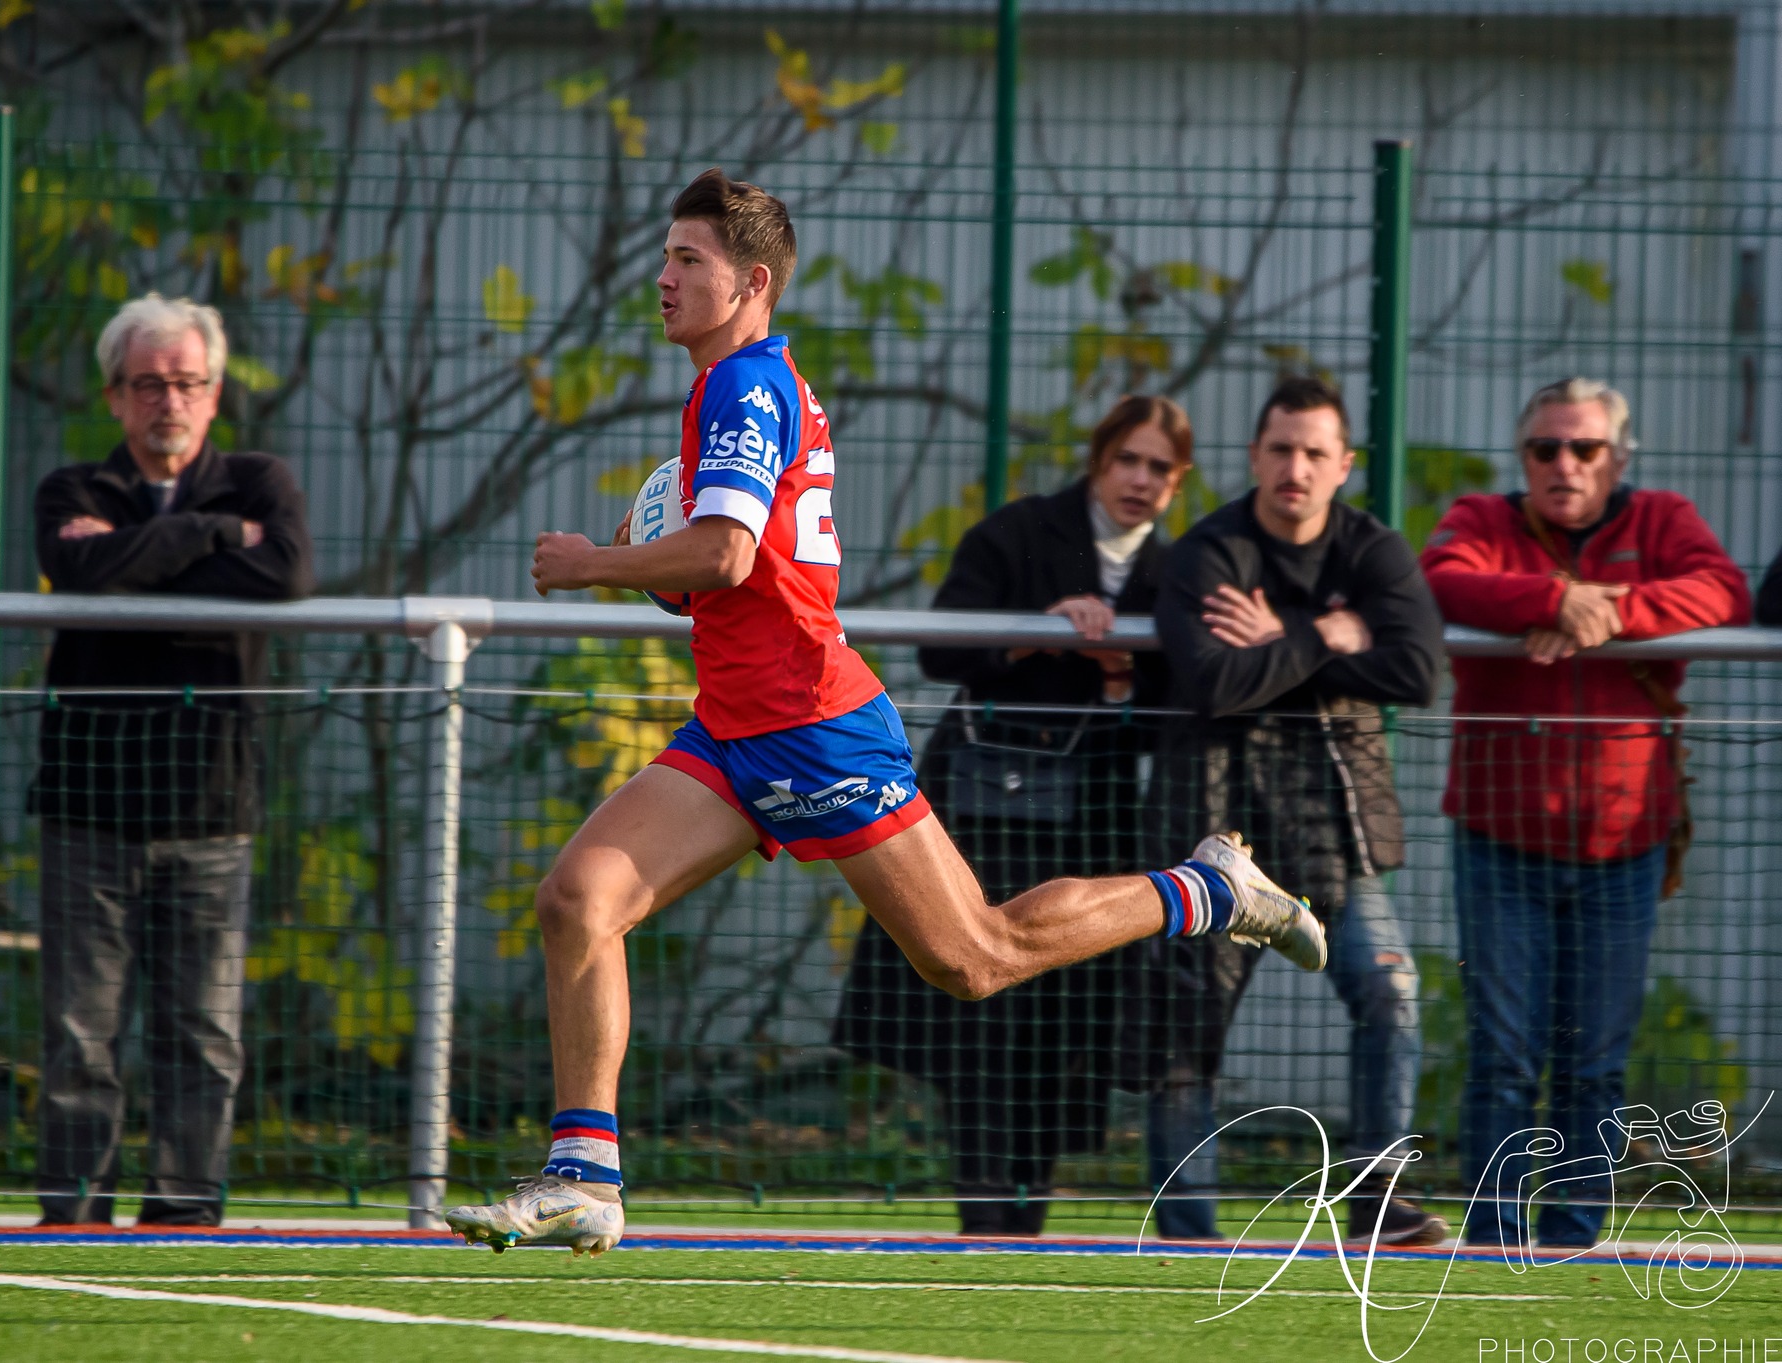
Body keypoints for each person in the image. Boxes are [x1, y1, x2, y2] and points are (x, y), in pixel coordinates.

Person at [442, 168, 1327, 1258]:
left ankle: (1203, 887)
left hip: (812, 723)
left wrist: (596, 563)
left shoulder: (746, 388)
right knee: (577, 898)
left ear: (750, 281)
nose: (662, 276)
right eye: (665, 256)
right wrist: (657, 572)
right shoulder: (732, 383)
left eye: (688, 260)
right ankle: (585, 1174)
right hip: (734, 724)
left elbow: (720, 553)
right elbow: (735, 562)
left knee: (975, 957)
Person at [833, 394, 1192, 1237]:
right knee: (981, 1016)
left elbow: (1175, 705)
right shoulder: (1020, 530)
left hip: (1094, 814)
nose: (1141, 481)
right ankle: (986, 1215)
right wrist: (1037, 635)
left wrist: (1116, 678)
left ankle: (1030, 1211)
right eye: (1128, 460)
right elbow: (942, 647)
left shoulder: (1175, 570)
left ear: (1178, 482)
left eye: (1161, 468)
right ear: (1099, 460)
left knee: (1068, 1024)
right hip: (986, 811)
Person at [1421, 377, 1749, 1248]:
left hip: (1625, 839)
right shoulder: (1481, 519)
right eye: (1545, 449)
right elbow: (1443, 579)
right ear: (1522, 458)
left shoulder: (1666, 519)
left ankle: (1568, 1238)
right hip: (1499, 833)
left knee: (1595, 1064)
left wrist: (1606, 613)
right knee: (1502, 1054)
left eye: (1585, 448)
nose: (1564, 464)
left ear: (1619, 460)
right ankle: (1492, 1238)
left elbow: (1722, 592)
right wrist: (1547, 598)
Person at [32, 293, 314, 1227]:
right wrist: (207, 537)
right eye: (148, 384)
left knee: (203, 1035)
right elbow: (78, 573)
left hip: (212, 803)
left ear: (215, 390)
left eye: (186, 382)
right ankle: (73, 1215)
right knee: (81, 1035)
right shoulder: (71, 491)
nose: (169, 401)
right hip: (87, 800)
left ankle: (185, 1215)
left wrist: (135, 559)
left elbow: (284, 575)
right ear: (114, 396)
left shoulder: (261, 479)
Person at [1151, 376, 1448, 1246]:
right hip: (1217, 837)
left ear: (1344, 465)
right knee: (1187, 1028)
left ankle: (1378, 1205)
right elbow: (1213, 683)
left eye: (1316, 452)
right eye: (1280, 448)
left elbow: (1416, 673)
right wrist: (1325, 635)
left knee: (1390, 992)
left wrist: (1276, 642)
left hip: (1334, 833)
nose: (1296, 467)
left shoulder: (1376, 552)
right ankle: (1187, 1233)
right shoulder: (1208, 551)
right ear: (1253, 456)